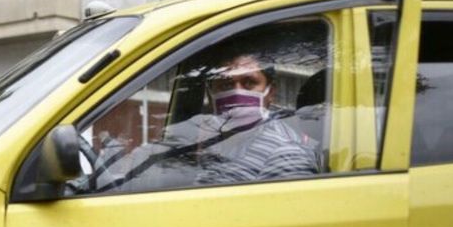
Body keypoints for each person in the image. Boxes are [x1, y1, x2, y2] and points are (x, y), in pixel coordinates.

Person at [87, 52, 319, 193]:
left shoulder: (287, 152)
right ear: (211, 93)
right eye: (225, 85)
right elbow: (138, 167)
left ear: (270, 93)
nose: (236, 93)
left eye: (249, 83)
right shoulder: (196, 135)